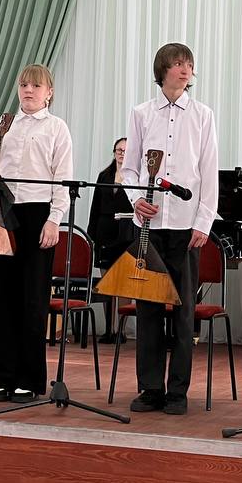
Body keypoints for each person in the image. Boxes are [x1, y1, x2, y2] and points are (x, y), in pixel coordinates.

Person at [121, 43, 218, 415]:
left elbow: (208, 172)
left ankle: (178, 391)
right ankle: (150, 389)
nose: (185, 69)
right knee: (147, 309)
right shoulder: (142, 113)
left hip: (186, 226)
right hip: (149, 225)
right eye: (178, 63)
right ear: (163, 69)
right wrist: (135, 200)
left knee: (183, 311)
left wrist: (204, 222)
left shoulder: (203, 115)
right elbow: (130, 169)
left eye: (189, 63)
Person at [0, 64, 73, 404]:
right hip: (4, 211)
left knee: (32, 298)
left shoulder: (56, 127)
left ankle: (28, 378)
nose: (29, 91)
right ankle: (1, 377)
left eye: (36, 86)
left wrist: (54, 220)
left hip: (38, 214)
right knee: (2, 297)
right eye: (24, 85)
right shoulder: (3, 125)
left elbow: (63, 178)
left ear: (49, 92)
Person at [87, 137, 131, 342]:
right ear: (114, 152)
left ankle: (120, 329)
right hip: (104, 232)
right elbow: (95, 207)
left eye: (125, 150)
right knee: (107, 283)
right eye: (119, 150)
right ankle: (108, 330)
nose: (121, 153)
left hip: (126, 233)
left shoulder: (135, 176)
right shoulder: (103, 175)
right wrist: (91, 235)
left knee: (123, 283)